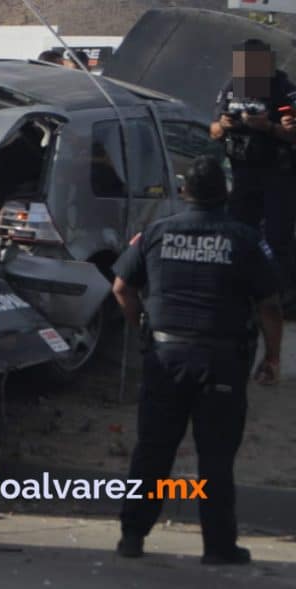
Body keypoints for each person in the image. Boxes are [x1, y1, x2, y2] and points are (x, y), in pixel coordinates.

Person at [112, 156, 283, 566]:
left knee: (153, 450)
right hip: (221, 361)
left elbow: (121, 287)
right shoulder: (244, 239)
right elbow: (270, 306)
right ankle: (218, 546)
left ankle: (132, 535)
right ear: (225, 193)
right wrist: (273, 356)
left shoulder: (154, 233)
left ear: (184, 191)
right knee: (216, 457)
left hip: (165, 355)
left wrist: (142, 329)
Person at [210, 39, 296, 294]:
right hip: (241, 174)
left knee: (277, 239)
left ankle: (282, 297)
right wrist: (224, 125)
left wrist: (268, 127)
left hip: (277, 176)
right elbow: (213, 131)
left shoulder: (283, 90)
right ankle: (240, 291)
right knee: (238, 235)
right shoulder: (231, 88)